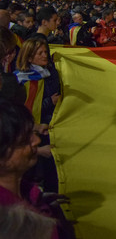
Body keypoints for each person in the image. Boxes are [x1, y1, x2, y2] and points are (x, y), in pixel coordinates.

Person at [0, 102, 62, 239]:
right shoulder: (6, 220)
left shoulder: (28, 194)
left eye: (32, 133)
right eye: (24, 140)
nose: (37, 141)